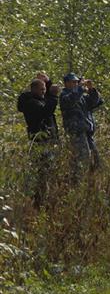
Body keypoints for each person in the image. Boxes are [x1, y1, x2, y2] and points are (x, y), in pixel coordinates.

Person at [17, 77, 61, 207]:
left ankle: (41, 199)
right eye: (41, 89)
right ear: (34, 89)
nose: (44, 92)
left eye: (45, 89)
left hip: (48, 141)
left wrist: (48, 82)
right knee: (43, 171)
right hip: (41, 142)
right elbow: (45, 112)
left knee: (47, 171)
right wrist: (53, 96)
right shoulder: (31, 103)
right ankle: (38, 201)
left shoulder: (39, 100)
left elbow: (46, 102)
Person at [59, 73, 103, 176]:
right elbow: (71, 100)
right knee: (82, 159)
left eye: (77, 82)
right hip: (76, 132)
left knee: (95, 159)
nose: (76, 84)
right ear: (66, 83)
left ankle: (90, 183)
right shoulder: (64, 95)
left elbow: (94, 102)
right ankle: (76, 182)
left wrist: (91, 89)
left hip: (86, 131)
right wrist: (80, 89)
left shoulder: (81, 96)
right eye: (73, 82)